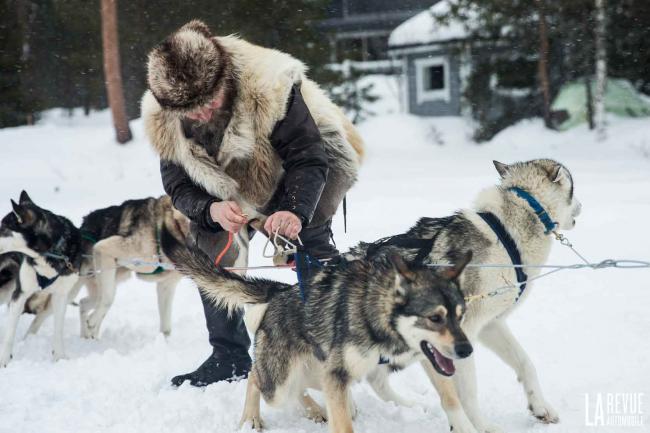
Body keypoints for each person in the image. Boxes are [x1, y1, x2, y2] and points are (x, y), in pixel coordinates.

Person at [141, 20, 364, 386]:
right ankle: (228, 355)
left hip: (293, 170)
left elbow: (308, 158)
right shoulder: (163, 113)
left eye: (208, 104)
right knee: (210, 249)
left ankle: (338, 343)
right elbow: (177, 182)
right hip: (225, 183)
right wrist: (209, 209)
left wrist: (293, 210)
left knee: (310, 243)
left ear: (223, 81)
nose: (201, 116)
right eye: (190, 112)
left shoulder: (271, 84)